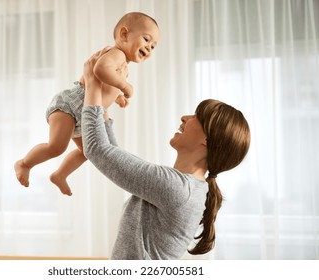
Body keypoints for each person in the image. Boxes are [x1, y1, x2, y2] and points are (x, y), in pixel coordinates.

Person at [81, 49, 251, 259]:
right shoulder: (184, 187)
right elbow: (111, 155)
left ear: (206, 140)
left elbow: (97, 150)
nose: (185, 118)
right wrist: (103, 101)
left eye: (196, 116)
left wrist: (92, 82)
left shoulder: (177, 188)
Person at [14, 12, 159, 195]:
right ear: (124, 35)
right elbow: (100, 70)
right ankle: (24, 163)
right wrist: (123, 85)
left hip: (85, 115)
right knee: (56, 147)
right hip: (71, 105)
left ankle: (60, 175)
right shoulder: (116, 54)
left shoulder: (124, 66)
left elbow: (105, 86)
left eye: (153, 46)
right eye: (146, 39)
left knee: (89, 152)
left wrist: (118, 97)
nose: (149, 48)